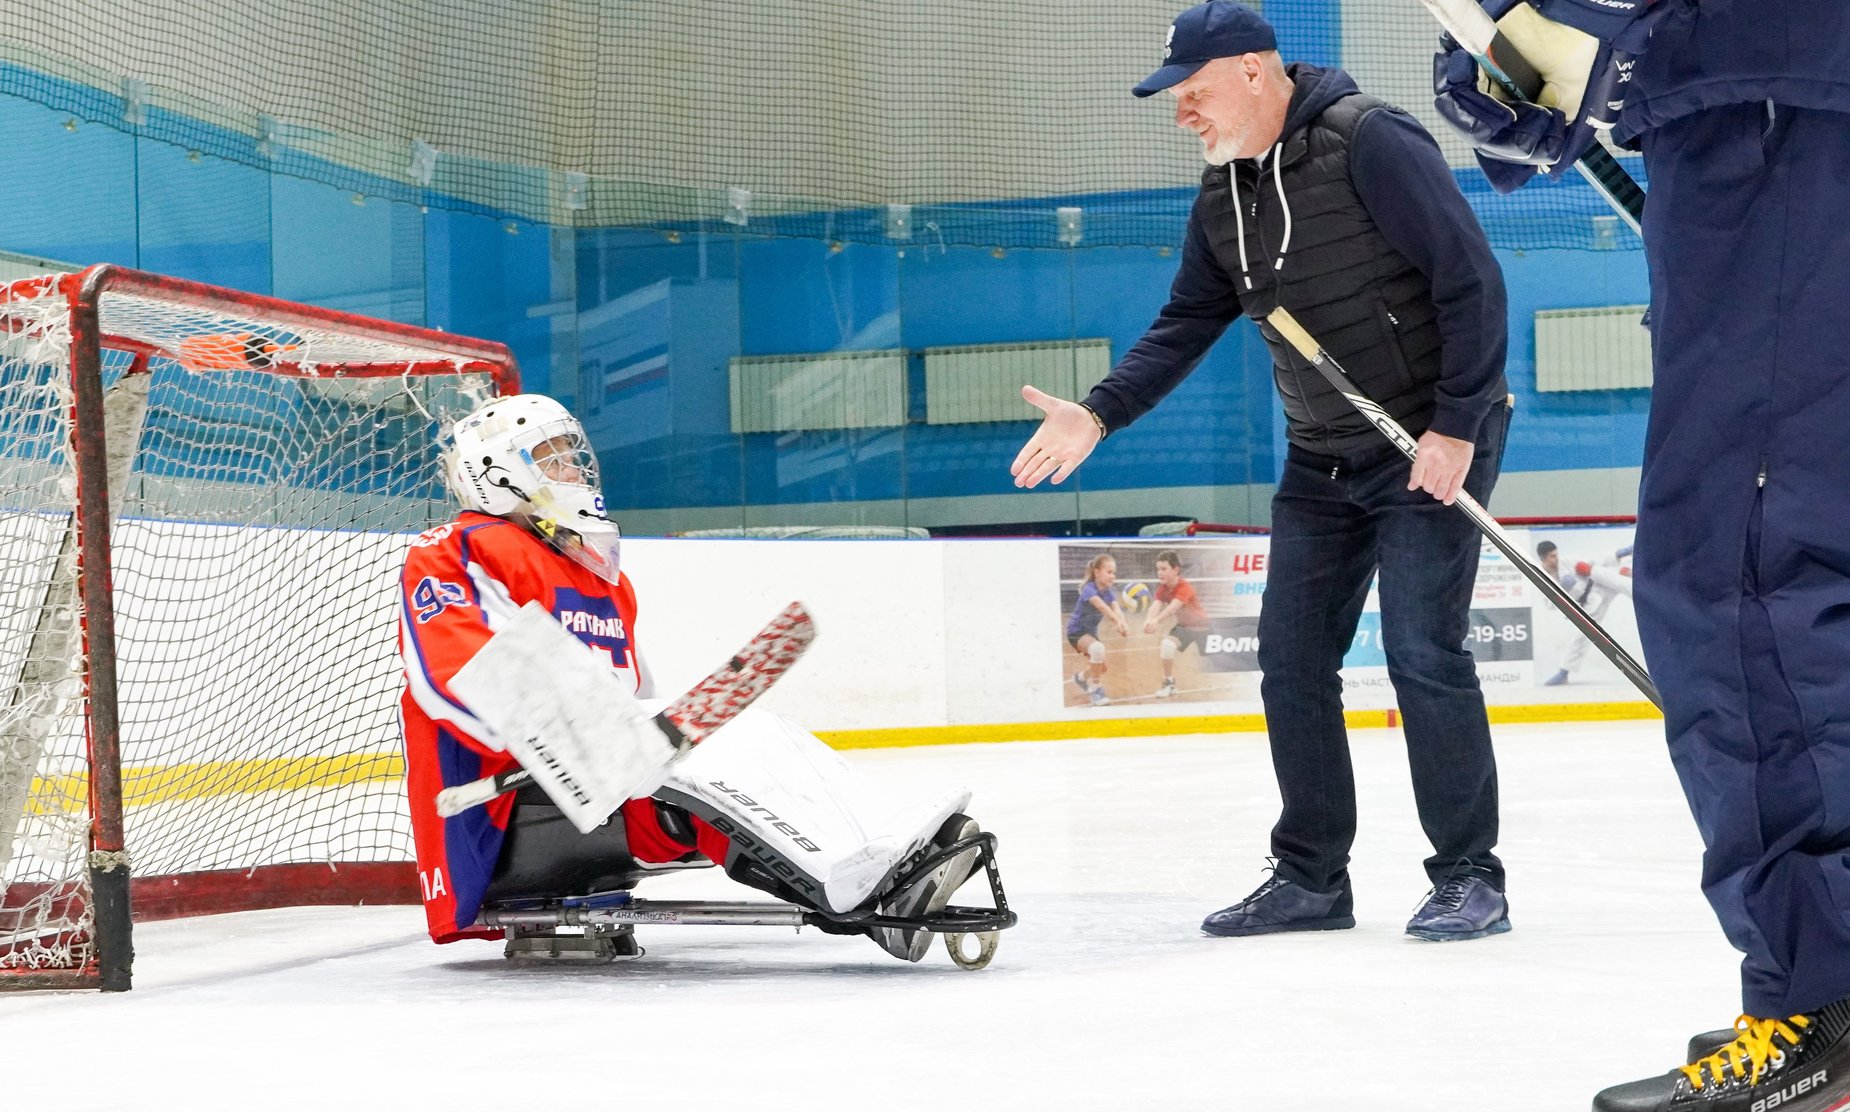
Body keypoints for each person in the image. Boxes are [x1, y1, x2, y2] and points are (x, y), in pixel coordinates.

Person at [1010, 0, 1515, 942]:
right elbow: (1186, 322)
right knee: (1290, 662)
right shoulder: (1223, 196)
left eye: (1191, 92)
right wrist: (1101, 411)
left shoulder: (1371, 140)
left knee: (1422, 653)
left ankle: (1469, 875)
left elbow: (1469, 279)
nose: (1180, 114)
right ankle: (1313, 878)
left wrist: (1454, 427)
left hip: (1428, 445)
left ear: (1252, 70)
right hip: (1324, 457)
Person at [1433, 1, 1850, 1112]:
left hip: (1779, 119)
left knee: (1740, 567)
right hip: (1753, 114)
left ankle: (1823, 990)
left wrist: (1644, 28)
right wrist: (1520, 70)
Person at [397, 393, 985, 963]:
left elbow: (631, 695)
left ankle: (892, 856)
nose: (572, 467)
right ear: (499, 472)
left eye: (573, 452)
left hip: (592, 799)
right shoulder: (459, 548)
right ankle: (853, 892)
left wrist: (636, 738)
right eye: (551, 454)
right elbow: (452, 677)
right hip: (498, 820)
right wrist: (587, 745)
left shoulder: (603, 580)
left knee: (749, 733)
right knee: (693, 773)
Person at [1534, 539, 1633, 686]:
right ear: (1544, 558)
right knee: (1582, 636)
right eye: (1552, 556)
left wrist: (1616, 555)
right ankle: (1563, 673)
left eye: (1556, 554)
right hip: (1589, 605)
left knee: (1606, 575)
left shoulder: (1567, 561)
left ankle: (1629, 567)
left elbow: (1595, 561)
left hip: (1598, 583)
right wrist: (1563, 588)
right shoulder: (1541, 576)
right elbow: (1549, 605)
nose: (1556, 558)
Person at [1144, 549, 1212, 698]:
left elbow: (1172, 607)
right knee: (1167, 646)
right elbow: (1156, 604)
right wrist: (1149, 620)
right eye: (1158, 569)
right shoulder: (1164, 588)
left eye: (1163, 569)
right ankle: (1169, 683)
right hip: (1184, 628)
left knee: (1219, 660)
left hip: (1203, 628)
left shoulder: (1184, 588)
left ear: (1175, 570)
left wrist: (1156, 620)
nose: (1159, 573)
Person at [1065, 552, 1130, 706]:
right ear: (1097, 572)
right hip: (1076, 632)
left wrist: (1123, 623)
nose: (1113, 576)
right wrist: (1116, 622)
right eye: (1109, 572)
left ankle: (1080, 678)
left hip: (1090, 633)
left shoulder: (1109, 591)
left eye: (1114, 572)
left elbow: (1116, 609)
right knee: (1098, 649)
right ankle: (1096, 691)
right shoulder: (1089, 588)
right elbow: (1102, 607)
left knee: (1101, 667)